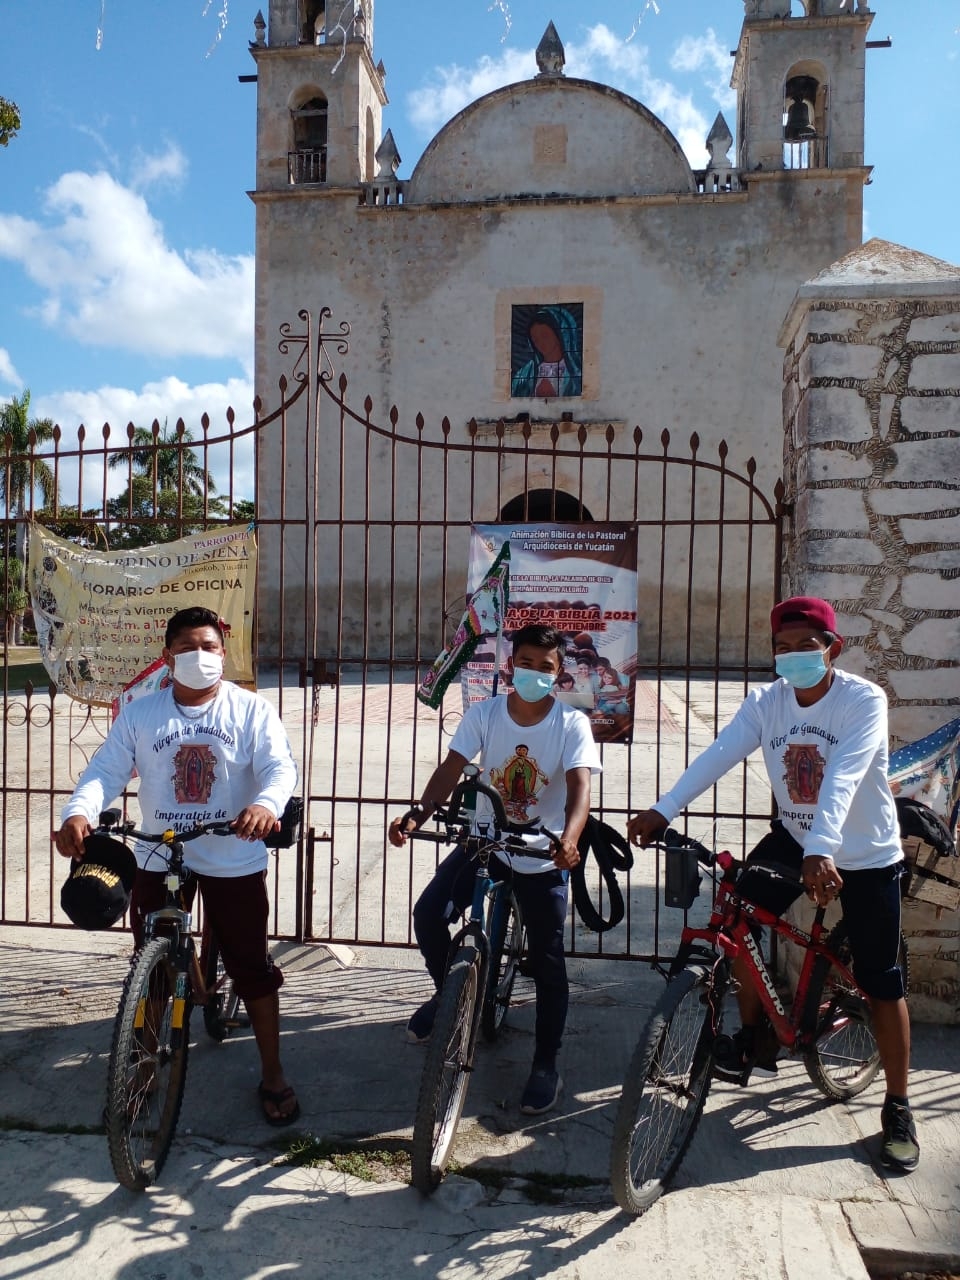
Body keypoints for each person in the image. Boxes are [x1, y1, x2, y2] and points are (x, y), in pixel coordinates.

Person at [627, 596, 919, 1173]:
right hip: (796, 839)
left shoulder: (862, 700)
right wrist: (664, 808)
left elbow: (844, 776)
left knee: (882, 982)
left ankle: (899, 1105)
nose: (790, 658)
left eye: (805, 647)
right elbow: (719, 753)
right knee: (734, 914)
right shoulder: (767, 702)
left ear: (832, 649)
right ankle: (757, 1036)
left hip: (863, 851)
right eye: (781, 649)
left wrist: (822, 849)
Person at [54, 606, 301, 1127]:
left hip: (232, 852)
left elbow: (279, 766)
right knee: (151, 965)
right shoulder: (142, 715)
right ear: (168, 656)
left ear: (223, 652)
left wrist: (266, 805)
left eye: (210, 647)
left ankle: (274, 1072)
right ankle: (142, 1070)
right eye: (188, 647)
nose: (201, 656)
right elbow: (106, 769)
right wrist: (78, 812)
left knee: (251, 967)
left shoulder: (250, 710)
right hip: (160, 850)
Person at [389, 623, 601, 1115]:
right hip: (485, 841)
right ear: (511, 665)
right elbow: (449, 770)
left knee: (548, 962)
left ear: (559, 673)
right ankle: (453, 999)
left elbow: (579, 790)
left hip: (540, 851)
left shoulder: (571, 726)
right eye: (525, 663)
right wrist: (416, 814)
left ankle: (546, 1063)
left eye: (545, 667)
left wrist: (569, 841)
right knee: (428, 915)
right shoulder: (485, 714)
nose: (533, 673)